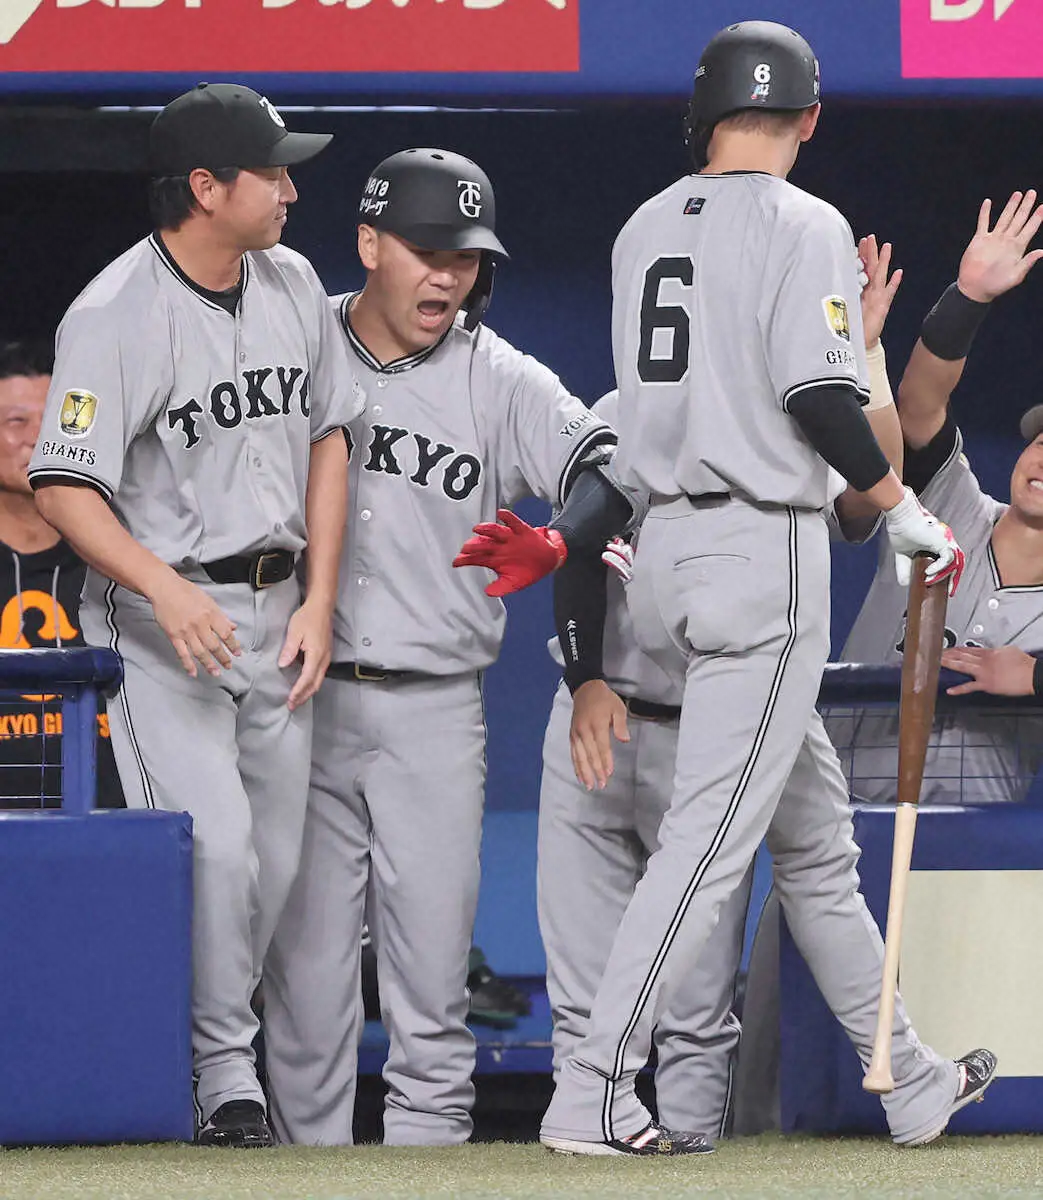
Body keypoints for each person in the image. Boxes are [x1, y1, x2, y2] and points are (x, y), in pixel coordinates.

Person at [456, 21, 995, 1157]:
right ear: (809, 118)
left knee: (813, 849)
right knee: (705, 847)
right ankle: (592, 1088)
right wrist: (895, 503)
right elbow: (814, 394)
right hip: (761, 551)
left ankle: (905, 1076)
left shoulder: (643, 222)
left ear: (700, 116)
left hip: (663, 550)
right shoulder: (806, 223)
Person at [261, 147, 640, 1148]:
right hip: (299, 699)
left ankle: (428, 1171)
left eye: (465, 258)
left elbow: (608, 467)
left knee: (431, 984)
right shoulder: (295, 341)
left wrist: (561, 535)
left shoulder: (496, 375)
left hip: (432, 707)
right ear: (368, 245)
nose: (446, 277)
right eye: (427, 253)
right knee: (305, 990)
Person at [28, 83, 362, 1148]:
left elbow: (329, 435)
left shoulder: (293, 281)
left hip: (279, 611)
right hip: (159, 622)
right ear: (206, 188)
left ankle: (193, 1054)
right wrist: (163, 589)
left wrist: (319, 597)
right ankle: (224, 1082)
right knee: (215, 853)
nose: (291, 189)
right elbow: (63, 484)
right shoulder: (113, 313)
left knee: (270, 870)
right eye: (272, 171)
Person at [538, 235, 909, 1141]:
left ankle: (888, 1083)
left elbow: (868, 494)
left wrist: (861, 354)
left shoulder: (782, 419)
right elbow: (578, 542)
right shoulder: (626, 413)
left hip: (716, 716)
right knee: (588, 991)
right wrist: (585, 678)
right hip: (610, 716)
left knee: (705, 1008)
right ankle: (591, 1107)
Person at [838, 191, 1043, 805]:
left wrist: (1038, 676)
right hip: (831, 815)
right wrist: (969, 297)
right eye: (1041, 443)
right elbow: (920, 404)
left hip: (968, 841)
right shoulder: (949, 506)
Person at [0, 339, 122, 809]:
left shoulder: (123, 560)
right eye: (16, 422)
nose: (38, 437)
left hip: (109, 820)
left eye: (50, 418)